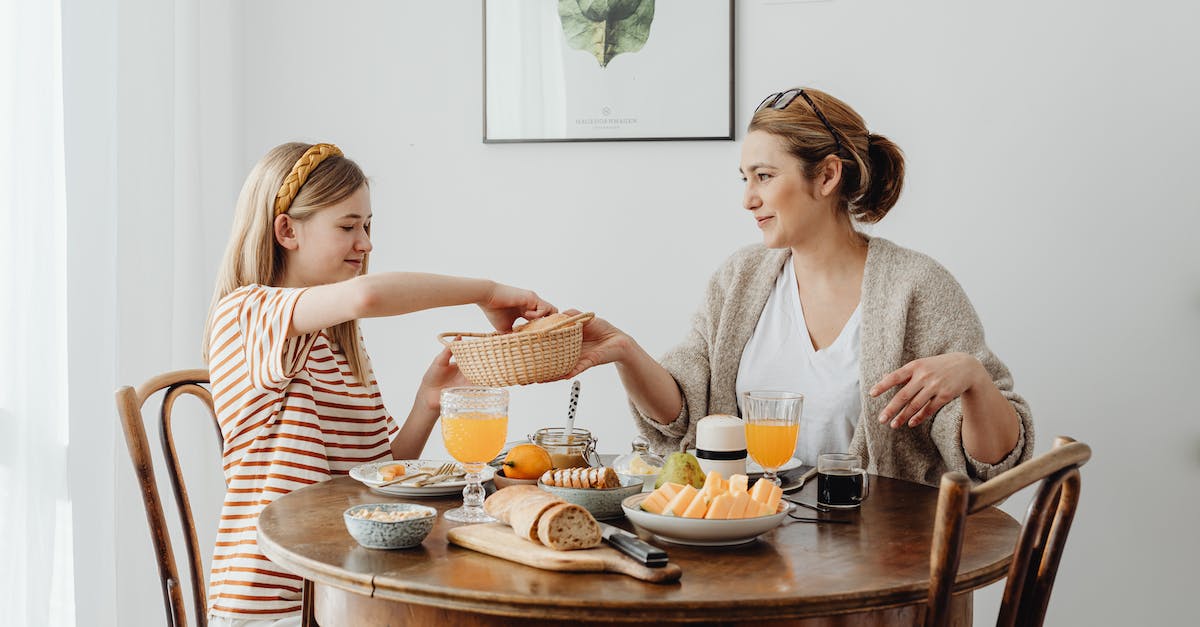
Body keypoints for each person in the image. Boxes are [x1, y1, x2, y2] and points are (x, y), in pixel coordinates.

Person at [566, 88, 1033, 486]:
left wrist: (973, 379)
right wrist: (623, 350)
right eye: (746, 179)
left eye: (764, 177)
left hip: (877, 562)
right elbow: (682, 414)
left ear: (827, 175)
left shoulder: (916, 289)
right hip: (747, 544)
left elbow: (994, 465)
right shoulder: (740, 278)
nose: (748, 199)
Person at [200, 142, 555, 625]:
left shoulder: (334, 340)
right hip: (275, 599)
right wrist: (488, 292)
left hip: (343, 586)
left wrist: (428, 402)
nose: (365, 243)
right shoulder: (246, 315)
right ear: (287, 230)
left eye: (368, 227)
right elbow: (367, 295)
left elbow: (376, 474)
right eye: (347, 227)